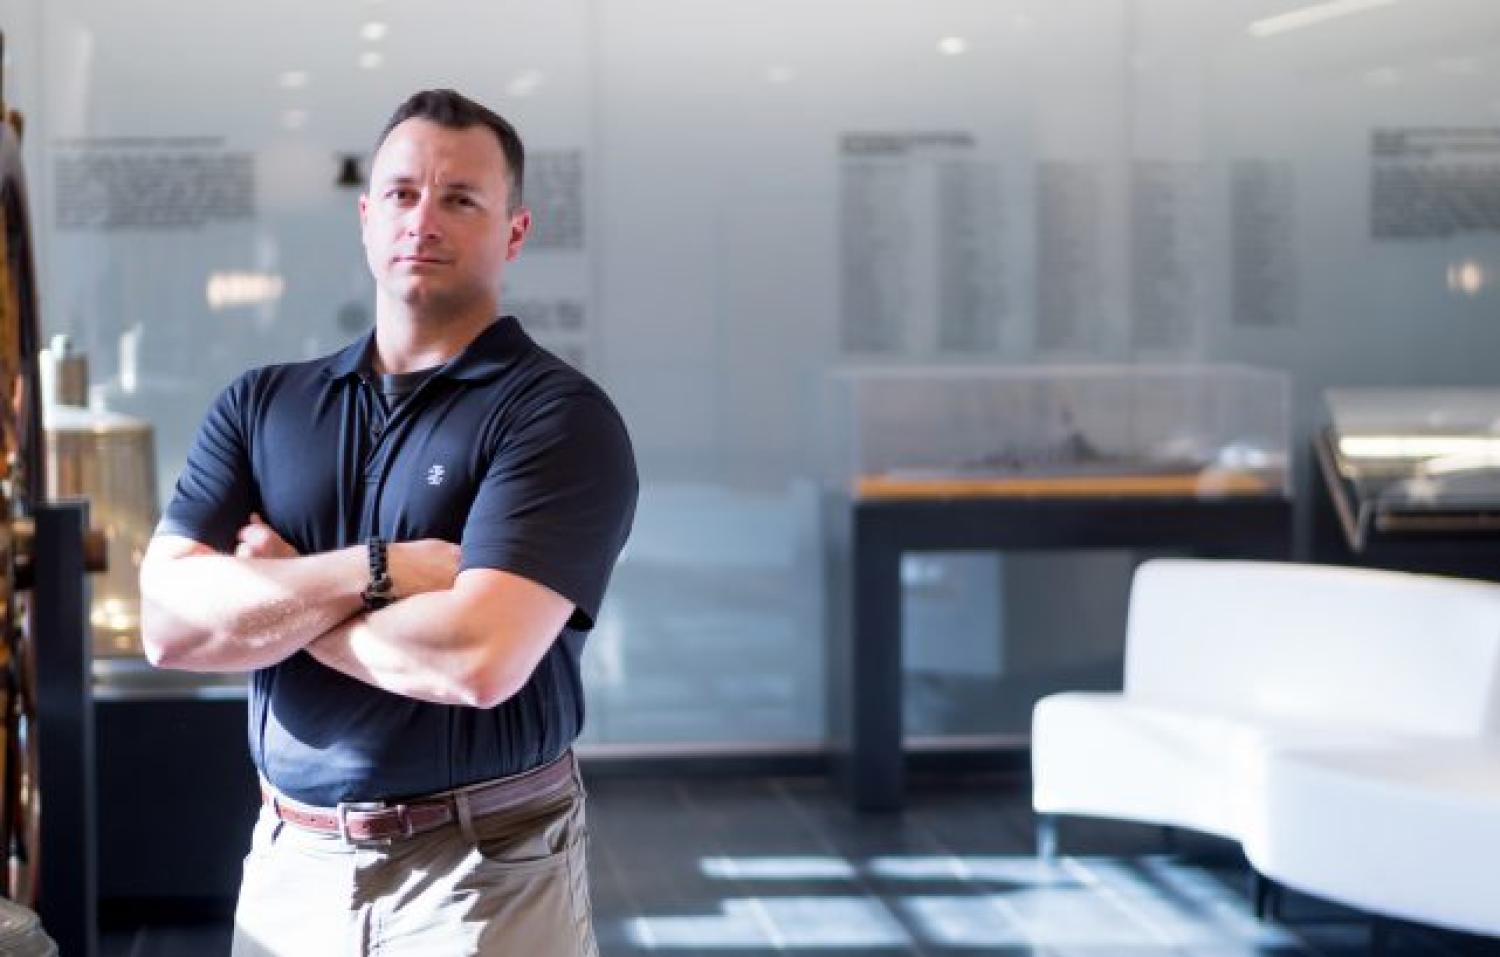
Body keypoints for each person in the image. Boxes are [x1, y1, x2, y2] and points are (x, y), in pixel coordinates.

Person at [139, 88, 637, 956]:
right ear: (366, 218)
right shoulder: (261, 404)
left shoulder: (558, 418)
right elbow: (171, 626)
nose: (424, 220)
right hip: (290, 862)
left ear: (514, 232)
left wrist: (277, 596)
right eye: (403, 194)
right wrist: (375, 569)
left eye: (461, 199)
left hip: (481, 872)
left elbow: (477, 660)